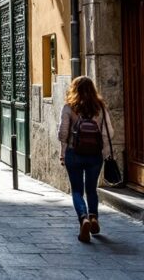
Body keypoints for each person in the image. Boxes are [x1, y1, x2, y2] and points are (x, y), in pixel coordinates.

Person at [57, 76, 114, 243]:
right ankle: (94, 217)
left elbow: (63, 133)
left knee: (76, 190)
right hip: (94, 155)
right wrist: (104, 152)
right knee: (91, 189)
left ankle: (84, 219)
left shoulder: (68, 107)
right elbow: (108, 133)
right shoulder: (100, 107)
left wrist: (63, 152)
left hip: (74, 153)